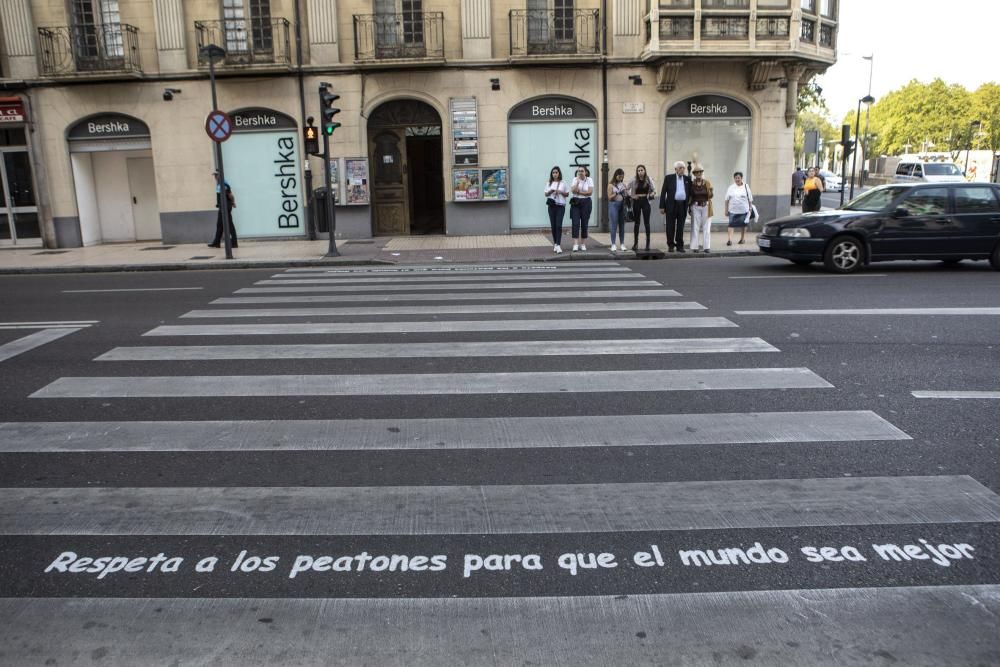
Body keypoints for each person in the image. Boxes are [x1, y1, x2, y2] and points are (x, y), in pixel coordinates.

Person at [660, 160, 692, 252]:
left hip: (682, 205)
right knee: (670, 225)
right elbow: (663, 192)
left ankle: (679, 245)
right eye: (680, 168)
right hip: (671, 204)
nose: (682, 170)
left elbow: (690, 193)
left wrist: (689, 207)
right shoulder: (669, 178)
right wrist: (662, 206)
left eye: (683, 168)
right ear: (676, 169)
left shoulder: (687, 179)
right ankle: (670, 245)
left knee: (681, 226)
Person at [627, 165, 656, 251]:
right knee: (637, 223)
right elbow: (626, 188)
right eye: (638, 170)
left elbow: (654, 190)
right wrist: (632, 195)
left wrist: (652, 194)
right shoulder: (633, 179)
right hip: (637, 201)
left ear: (644, 171)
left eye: (641, 170)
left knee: (647, 223)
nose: (640, 172)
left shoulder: (648, 179)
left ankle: (648, 244)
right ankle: (635, 244)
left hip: (646, 201)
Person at [544, 166, 570, 254]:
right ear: (551, 174)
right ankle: (555, 243)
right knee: (553, 226)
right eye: (553, 173)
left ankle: (558, 245)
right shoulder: (549, 183)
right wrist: (551, 191)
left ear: (559, 173)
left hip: (560, 206)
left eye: (556, 172)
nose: (555, 174)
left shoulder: (563, 183)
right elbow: (546, 194)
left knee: (559, 225)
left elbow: (567, 194)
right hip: (551, 206)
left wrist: (561, 192)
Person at [688, 165, 714, 254]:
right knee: (695, 226)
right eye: (697, 172)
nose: (699, 174)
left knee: (707, 227)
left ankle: (707, 247)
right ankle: (695, 246)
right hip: (695, 206)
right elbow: (690, 196)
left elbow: (710, 196)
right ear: (694, 174)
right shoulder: (692, 184)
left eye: (700, 172)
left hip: (706, 206)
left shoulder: (707, 183)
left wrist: (711, 191)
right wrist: (689, 208)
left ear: (702, 173)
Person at [208, 171, 237, 248]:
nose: (215, 177)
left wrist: (233, 202)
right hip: (222, 207)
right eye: (215, 175)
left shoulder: (224, 184)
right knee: (220, 225)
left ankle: (234, 243)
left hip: (226, 207)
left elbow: (230, 195)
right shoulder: (219, 184)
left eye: (216, 175)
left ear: (220, 176)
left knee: (229, 225)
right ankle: (217, 242)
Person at [569, 166, 594, 252]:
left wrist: (579, 192)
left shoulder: (589, 180)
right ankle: (575, 244)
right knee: (575, 223)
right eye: (579, 171)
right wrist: (577, 183)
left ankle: (583, 244)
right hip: (575, 202)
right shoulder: (575, 179)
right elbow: (572, 191)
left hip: (586, 203)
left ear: (585, 172)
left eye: (582, 171)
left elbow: (590, 192)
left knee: (584, 223)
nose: (580, 172)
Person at [724, 171, 753, 246]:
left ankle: (742, 239)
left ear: (741, 178)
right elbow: (726, 199)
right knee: (731, 225)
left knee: (743, 225)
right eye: (736, 178)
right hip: (733, 210)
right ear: (734, 179)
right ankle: (729, 240)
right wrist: (726, 210)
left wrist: (750, 208)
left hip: (744, 210)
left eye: (739, 178)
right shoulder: (731, 187)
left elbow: (750, 199)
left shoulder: (746, 187)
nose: (737, 179)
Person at [607, 168, 628, 252]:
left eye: (622, 177)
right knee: (614, 225)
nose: (621, 178)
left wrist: (625, 190)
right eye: (619, 177)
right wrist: (617, 192)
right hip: (613, 205)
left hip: (622, 205)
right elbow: (609, 197)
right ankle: (613, 244)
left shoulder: (622, 184)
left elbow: (626, 195)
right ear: (616, 176)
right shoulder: (611, 185)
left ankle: (622, 244)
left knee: (622, 225)